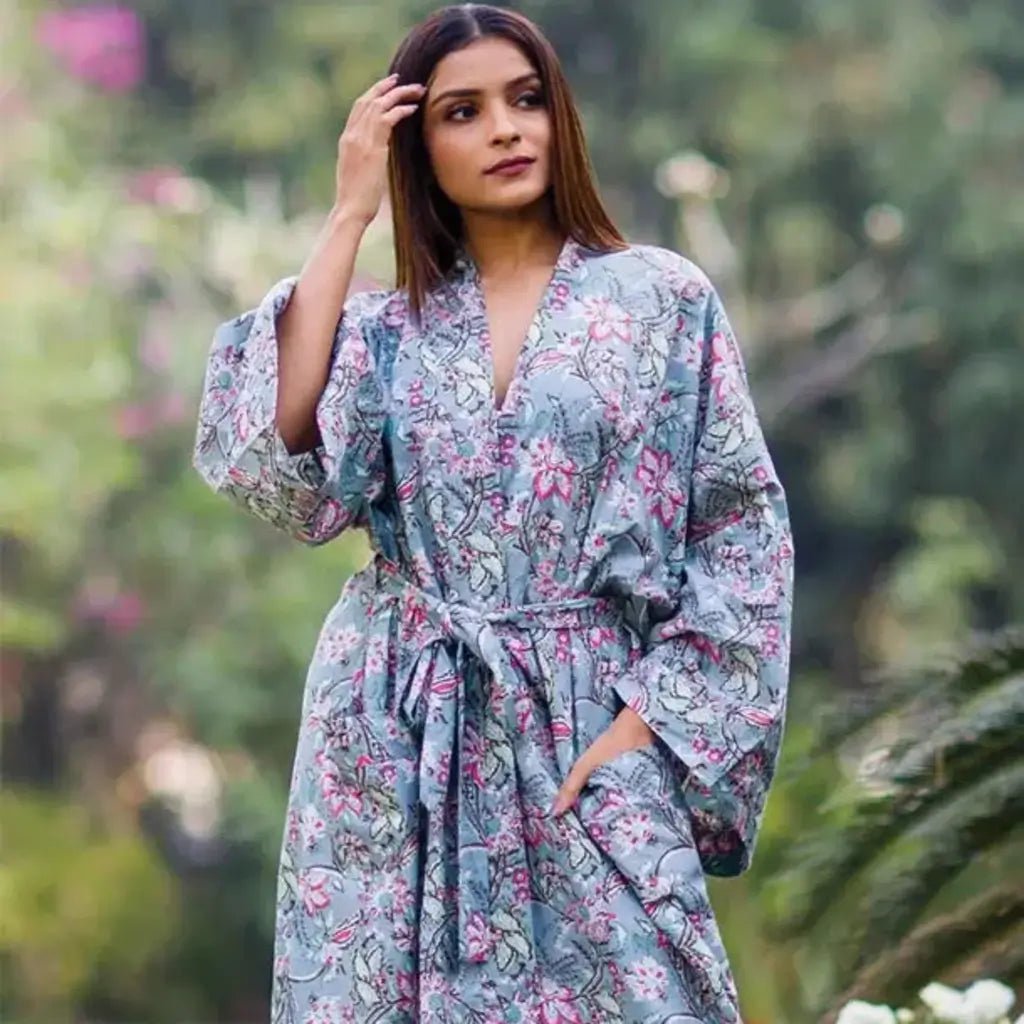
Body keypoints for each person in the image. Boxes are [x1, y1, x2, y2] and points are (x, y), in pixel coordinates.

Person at [192, 4, 794, 1022]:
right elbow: (282, 459)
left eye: (524, 100)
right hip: (397, 728)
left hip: (584, 720)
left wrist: (646, 728)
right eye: (462, 113)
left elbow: (739, 530)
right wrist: (348, 216)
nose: (506, 130)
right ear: (416, 153)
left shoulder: (659, 299)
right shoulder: (386, 326)